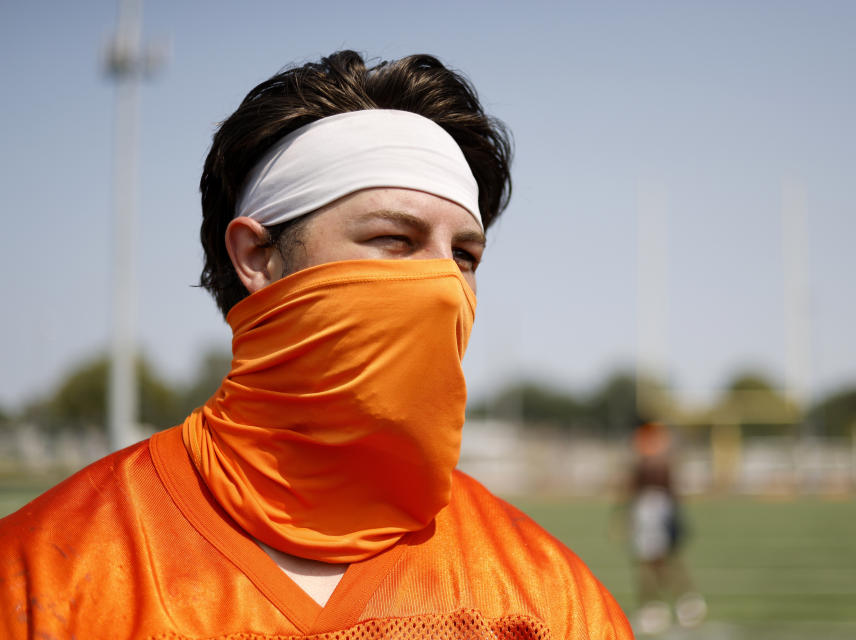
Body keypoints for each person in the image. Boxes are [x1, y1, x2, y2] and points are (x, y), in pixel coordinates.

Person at [0, 50, 632, 639]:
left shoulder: (549, 596)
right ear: (256, 254)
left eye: (464, 254)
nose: (441, 282)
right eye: (394, 238)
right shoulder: (45, 570)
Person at [625, 420, 706, 635]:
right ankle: (665, 606)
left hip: (656, 511)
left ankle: (678, 604)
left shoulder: (655, 453)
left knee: (658, 561)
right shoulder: (651, 450)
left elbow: (654, 479)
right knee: (650, 562)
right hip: (648, 510)